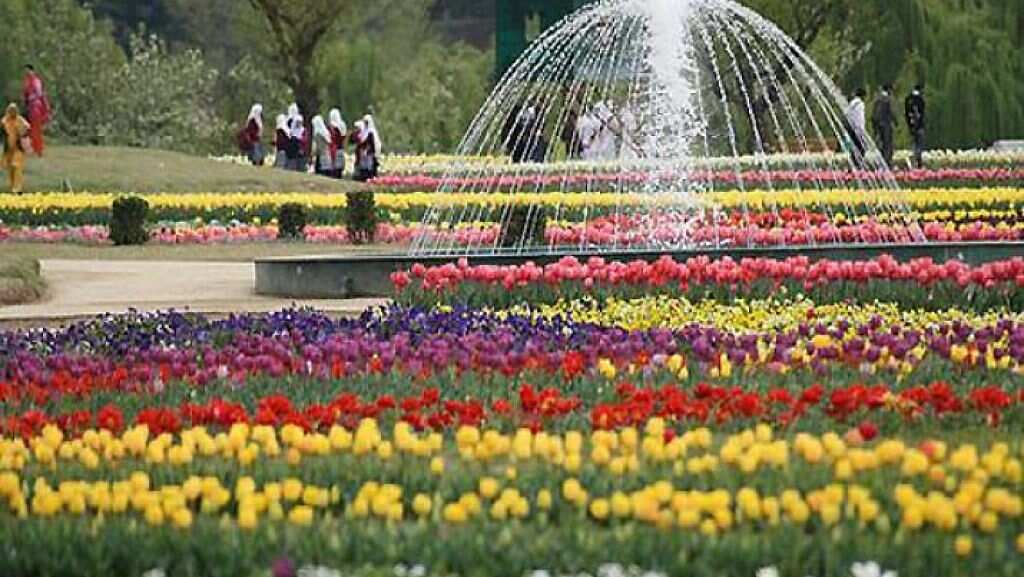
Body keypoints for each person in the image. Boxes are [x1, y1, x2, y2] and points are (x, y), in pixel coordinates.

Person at [1, 104, 31, 194]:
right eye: (10, 110)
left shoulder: (20, 120)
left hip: (18, 148)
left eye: (14, 110)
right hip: (9, 149)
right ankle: (13, 187)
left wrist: (22, 132)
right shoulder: (5, 120)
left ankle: (18, 188)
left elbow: (27, 128)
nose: (12, 112)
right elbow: (3, 129)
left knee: (16, 166)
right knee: (10, 168)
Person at [21, 65, 50, 157]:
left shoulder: (36, 81)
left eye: (28, 70)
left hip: (36, 107)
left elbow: (39, 94)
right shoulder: (27, 81)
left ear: (32, 71)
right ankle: (34, 148)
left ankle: (38, 149)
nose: (27, 73)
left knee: (36, 128)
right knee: (31, 128)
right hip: (30, 106)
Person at [872, 85, 896, 168]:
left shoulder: (877, 100)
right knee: (888, 144)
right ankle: (887, 162)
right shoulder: (887, 100)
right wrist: (896, 122)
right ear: (889, 90)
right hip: (886, 125)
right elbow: (891, 112)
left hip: (878, 125)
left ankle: (881, 162)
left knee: (881, 144)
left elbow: (874, 115)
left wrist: (875, 128)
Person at [844, 88, 868, 168]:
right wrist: (861, 130)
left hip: (850, 128)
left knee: (855, 148)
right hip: (856, 129)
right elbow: (860, 119)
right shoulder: (860, 104)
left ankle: (853, 164)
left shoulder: (852, 103)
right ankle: (857, 165)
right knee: (862, 148)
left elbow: (847, 115)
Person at [905, 84, 926, 169]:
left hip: (911, 126)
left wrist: (909, 125)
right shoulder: (920, 100)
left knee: (913, 144)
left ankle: (914, 162)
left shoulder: (908, 99)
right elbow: (922, 114)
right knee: (919, 145)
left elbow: (906, 114)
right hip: (919, 126)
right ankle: (918, 163)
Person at [328, 109, 347, 178]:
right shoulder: (342, 125)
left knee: (335, 168)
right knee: (338, 168)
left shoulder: (333, 126)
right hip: (340, 148)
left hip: (334, 148)